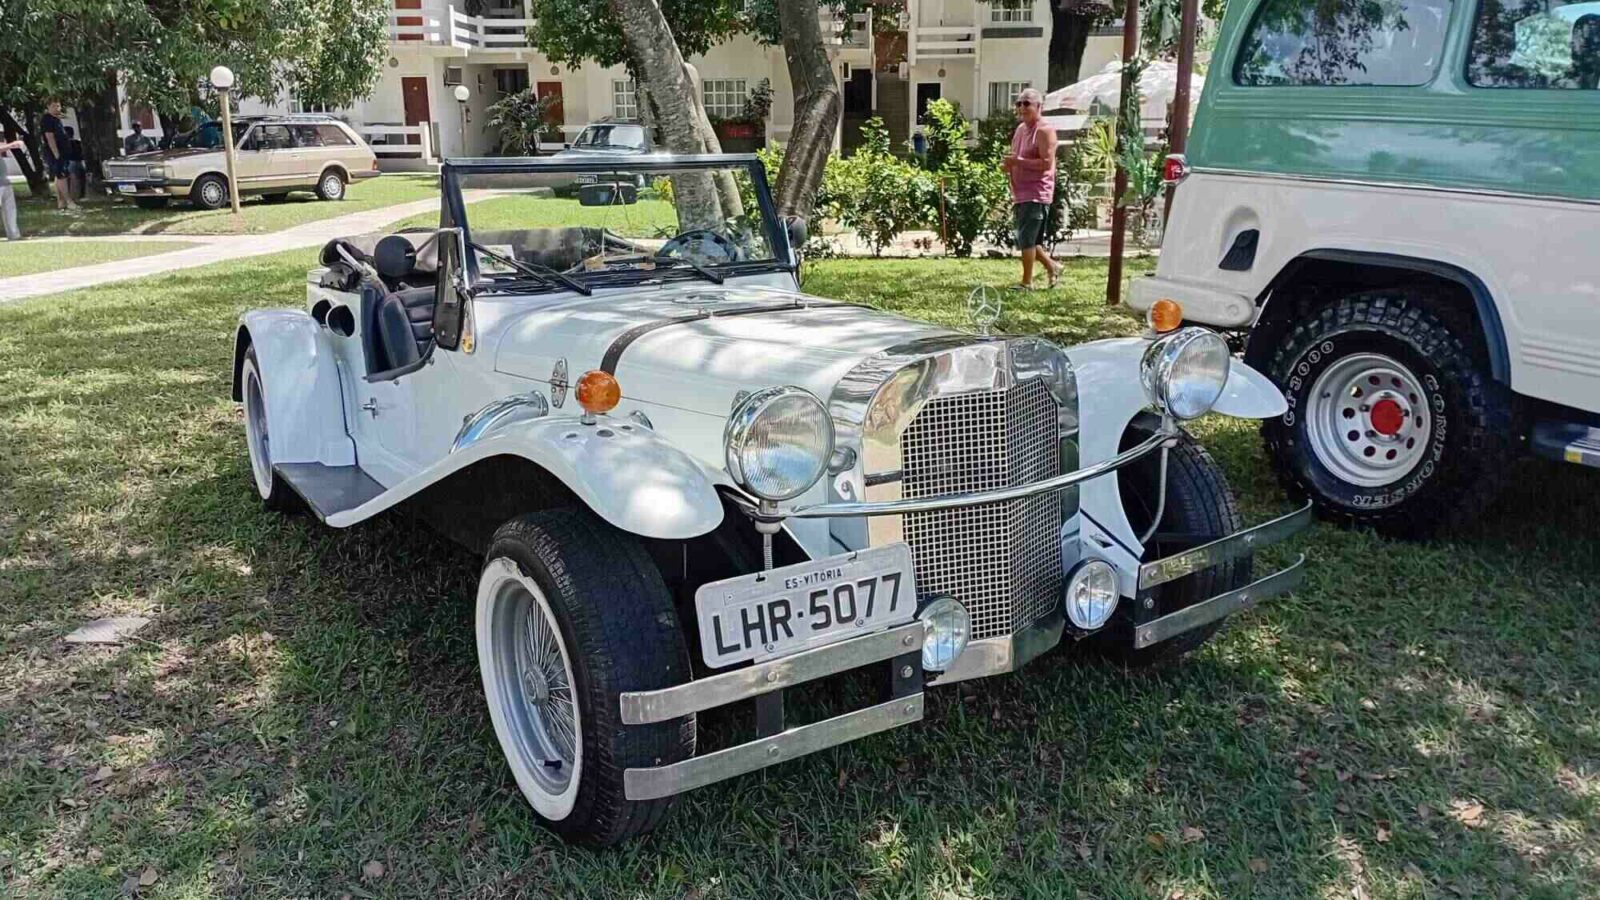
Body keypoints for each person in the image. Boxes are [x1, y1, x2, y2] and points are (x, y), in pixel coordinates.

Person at [1002, 88, 1060, 290]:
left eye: (1027, 103)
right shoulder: (1020, 130)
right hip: (1020, 192)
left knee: (1026, 239)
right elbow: (1016, 157)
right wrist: (1009, 165)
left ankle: (1027, 283)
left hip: (1036, 192)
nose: (1021, 108)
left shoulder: (1045, 131)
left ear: (1038, 107)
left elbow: (1046, 163)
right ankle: (1053, 266)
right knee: (1031, 239)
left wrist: (1017, 161)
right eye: (1018, 103)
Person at [39, 99, 77, 212]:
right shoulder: (47, 119)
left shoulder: (56, 119)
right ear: (48, 107)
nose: (57, 108)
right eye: (54, 106)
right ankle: (69, 201)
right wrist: (56, 153)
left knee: (59, 176)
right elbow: (49, 137)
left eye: (58, 106)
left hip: (63, 152)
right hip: (55, 153)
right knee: (62, 176)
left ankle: (61, 202)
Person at [0, 137, 23, 240]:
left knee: (10, 210)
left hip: (4, 181)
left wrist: (9, 145)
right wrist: (12, 144)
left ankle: (14, 235)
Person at [65, 125, 87, 201]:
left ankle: (72, 196)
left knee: (72, 180)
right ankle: (80, 194)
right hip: (79, 162)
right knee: (80, 179)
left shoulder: (66, 143)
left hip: (70, 162)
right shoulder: (78, 142)